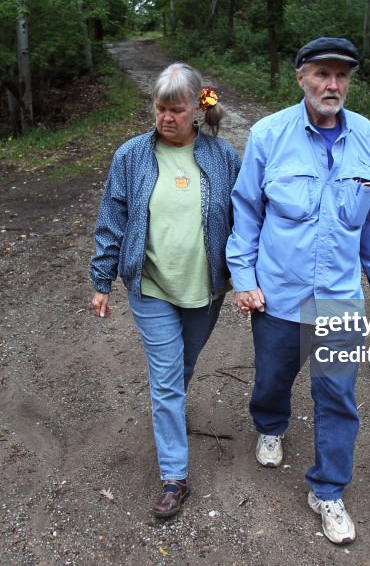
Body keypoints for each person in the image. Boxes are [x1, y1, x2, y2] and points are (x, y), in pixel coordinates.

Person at [226, 37, 370, 544]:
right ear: (301, 77)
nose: (333, 84)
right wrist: (244, 278)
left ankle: (327, 490)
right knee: (274, 376)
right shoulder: (269, 135)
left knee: (338, 394)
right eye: (323, 74)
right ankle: (271, 425)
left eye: (342, 76)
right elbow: (247, 212)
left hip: (340, 295)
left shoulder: (367, 138)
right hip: (279, 291)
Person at [90, 62, 241, 519]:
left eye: (176, 110)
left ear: (198, 108)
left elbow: (245, 221)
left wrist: (251, 278)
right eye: (160, 109)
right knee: (166, 378)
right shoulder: (131, 157)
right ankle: (174, 476)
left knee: (183, 366)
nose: (166, 118)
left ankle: (171, 410)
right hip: (150, 287)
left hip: (206, 288)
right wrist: (101, 281)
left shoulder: (223, 156)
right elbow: (112, 220)